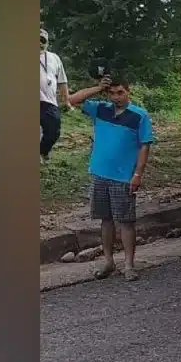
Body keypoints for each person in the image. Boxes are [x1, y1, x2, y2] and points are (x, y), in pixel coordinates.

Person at [65, 72, 153, 281]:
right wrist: (97, 88)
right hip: (99, 173)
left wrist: (138, 174)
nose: (116, 97)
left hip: (123, 176)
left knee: (126, 221)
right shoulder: (101, 109)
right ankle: (108, 261)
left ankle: (129, 265)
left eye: (120, 92)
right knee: (105, 220)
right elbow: (72, 100)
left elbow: (144, 146)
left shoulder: (139, 115)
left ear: (128, 92)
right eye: (112, 93)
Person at [39, 28, 69, 159]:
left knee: (54, 130)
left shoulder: (54, 58)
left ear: (47, 42)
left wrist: (66, 100)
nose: (39, 43)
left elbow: (62, 81)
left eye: (42, 40)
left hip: (49, 101)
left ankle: (42, 151)